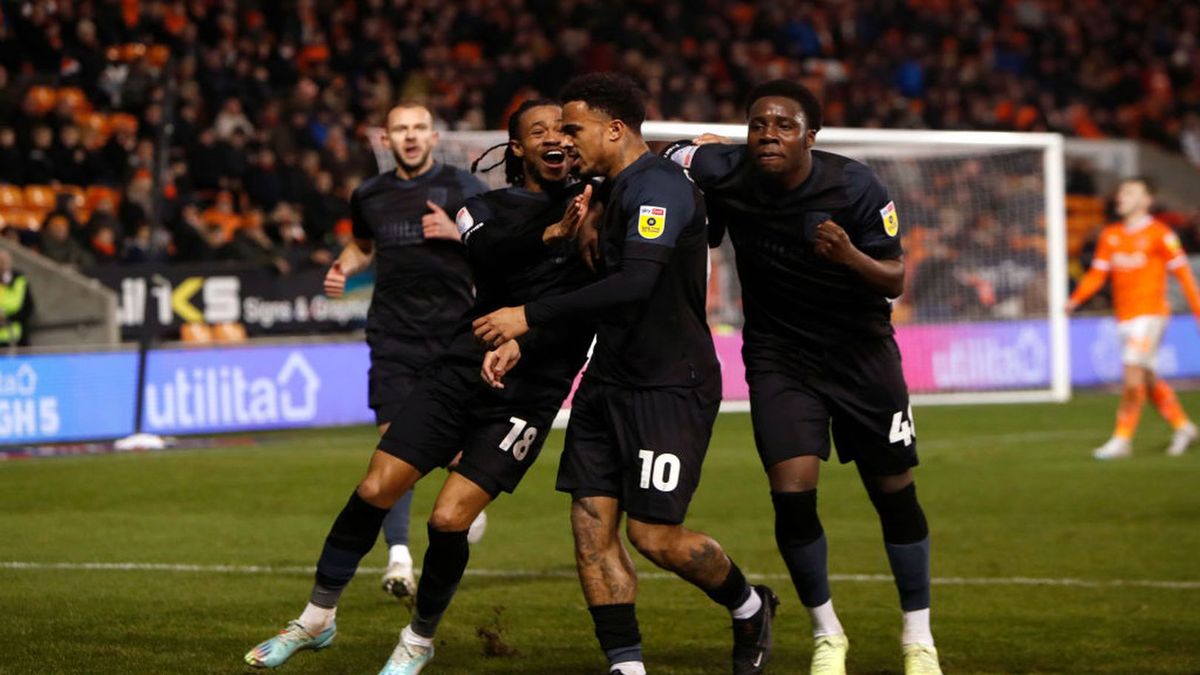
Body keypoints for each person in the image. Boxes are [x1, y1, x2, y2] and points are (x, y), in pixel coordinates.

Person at [245, 99, 596, 674]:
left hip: (531, 391)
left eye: (563, 129)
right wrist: (553, 232)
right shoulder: (482, 204)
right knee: (375, 486)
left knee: (449, 519)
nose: (554, 137)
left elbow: (591, 298)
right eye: (539, 131)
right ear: (518, 148)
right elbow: (488, 252)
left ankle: (418, 639)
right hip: (461, 364)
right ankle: (317, 618)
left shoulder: (599, 206)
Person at [473, 73, 778, 675]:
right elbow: (586, 283)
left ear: (615, 130)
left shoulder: (659, 189)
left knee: (656, 537)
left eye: (573, 128)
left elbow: (636, 282)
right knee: (590, 527)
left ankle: (748, 606)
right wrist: (524, 339)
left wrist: (525, 317)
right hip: (607, 380)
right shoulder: (602, 188)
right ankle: (626, 666)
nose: (562, 139)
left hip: (670, 384)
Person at [662, 79, 942, 675]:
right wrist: (694, 148)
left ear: (810, 137)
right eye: (758, 123)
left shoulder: (855, 185)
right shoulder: (728, 167)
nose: (769, 134)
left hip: (862, 356)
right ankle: (827, 635)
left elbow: (893, 279)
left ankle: (918, 637)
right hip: (780, 357)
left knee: (894, 494)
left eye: (784, 125)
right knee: (792, 499)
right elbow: (667, 155)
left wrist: (849, 258)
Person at [323, 102, 488, 600]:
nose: (410, 137)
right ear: (386, 139)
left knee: (459, 456)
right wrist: (344, 266)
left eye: (419, 128)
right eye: (401, 129)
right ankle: (399, 556)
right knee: (395, 446)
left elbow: (501, 246)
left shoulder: (465, 188)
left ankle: (467, 504)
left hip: (454, 338)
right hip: (393, 339)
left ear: (434, 137)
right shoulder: (369, 194)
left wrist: (459, 232)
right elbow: (364, 246)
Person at [1067, 177, 1200, 458]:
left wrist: (1198, 314)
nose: (1121, 197)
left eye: (1129, 192)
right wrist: (1075, 299)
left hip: (1150, 315)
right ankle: (1183, 426)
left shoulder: (1161, 234)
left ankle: (1122, 439)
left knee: (1131, 377)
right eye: (1121, 192)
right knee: (1147, 378)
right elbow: (1097, 274)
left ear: (1146, 200)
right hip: (1124, 317)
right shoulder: (1110, 234)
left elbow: (1185, 276)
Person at [0, 249, 32, 347]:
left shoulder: (19, 279)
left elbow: (28, 307)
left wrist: (7, 317)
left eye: (3, 261)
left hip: (17, 337)